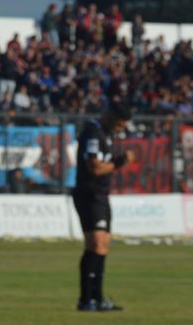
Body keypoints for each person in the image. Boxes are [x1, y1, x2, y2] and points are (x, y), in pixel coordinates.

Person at [73, 101, 133, 312]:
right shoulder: (93, 132)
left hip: (101, 195)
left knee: (103, 245)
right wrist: (119, 162)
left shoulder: (104, 134)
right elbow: (95, 167)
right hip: (89, 194)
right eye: (119, 125)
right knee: (96, 244)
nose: (120, 130)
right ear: (109, 115)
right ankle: (86, 299)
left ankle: (97, 299)